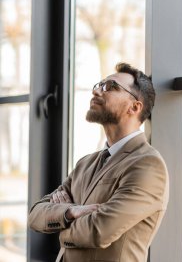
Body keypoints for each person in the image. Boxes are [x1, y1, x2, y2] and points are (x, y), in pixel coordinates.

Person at [28, 62, 169, 262]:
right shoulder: (86, 163)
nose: (96, 91)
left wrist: (60, 225)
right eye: (98, 85)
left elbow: (99, 231)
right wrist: (70, 211)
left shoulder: (147, 165)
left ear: (135, 107)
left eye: (110, 87)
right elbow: (35, 215)